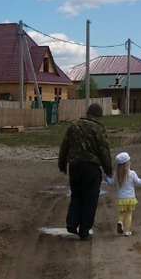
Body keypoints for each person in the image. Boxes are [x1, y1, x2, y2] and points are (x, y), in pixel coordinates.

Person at [58, 103, 113, 240]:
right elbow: (104, 150)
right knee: (90, 199)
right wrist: (108, 170)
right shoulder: (98, 129)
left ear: (88, 113)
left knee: (76, 194)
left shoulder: (74, 125)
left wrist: (62, 164)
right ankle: (84, 230)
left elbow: (65, 145)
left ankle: (72, 221)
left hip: (74, 166)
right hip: (91, 168)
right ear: (98, 116)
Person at [104, 152, 141, 236]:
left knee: (122, 212)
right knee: (129, 213)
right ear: (128, 163)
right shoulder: (132, 173)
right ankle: (126, 231)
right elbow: (139, 181)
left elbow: (111, 182)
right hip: (130, 198)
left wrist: (106, 177)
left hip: (120, 198)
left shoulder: (116, 174)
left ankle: (120, 221)